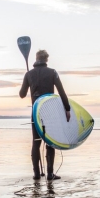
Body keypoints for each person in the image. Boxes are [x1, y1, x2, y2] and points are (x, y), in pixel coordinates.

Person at [19, 49, 71, 180]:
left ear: (36, 59)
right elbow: (61, 92)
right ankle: (49, 174)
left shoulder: (28, 74)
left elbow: (22, 94)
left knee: (36, 142)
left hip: (35, 113)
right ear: (46, 60)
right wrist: (67, 108)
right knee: (50, 142)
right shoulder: (52, 72)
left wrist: (29, 83)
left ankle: (36, 174)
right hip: (50, 112)